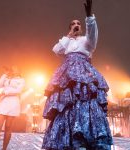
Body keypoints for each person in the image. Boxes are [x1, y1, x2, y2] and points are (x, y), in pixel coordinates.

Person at [42, 0, 113, 149]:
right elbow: (56, 50)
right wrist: (68, 35)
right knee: (67, 106)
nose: (76, 25)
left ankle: (85, 137)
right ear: (70, 28)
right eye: (74, 24)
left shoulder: (86, 41)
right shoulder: (67, 42)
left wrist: (89, 18)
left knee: (86, 102)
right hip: (67, 75)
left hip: (84, 73)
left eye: (78, 24)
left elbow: (93, 35)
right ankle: (68, 139)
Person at [0, 66, 25, 150]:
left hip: (13, 103)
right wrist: (4, 74)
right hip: (3, 102)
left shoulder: (21, 80)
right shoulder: (7, 78)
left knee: (8, 127)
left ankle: (4, 149)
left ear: (18, 70)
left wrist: (5, 92)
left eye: (15, 68)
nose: (12, 69)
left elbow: (18, 91)